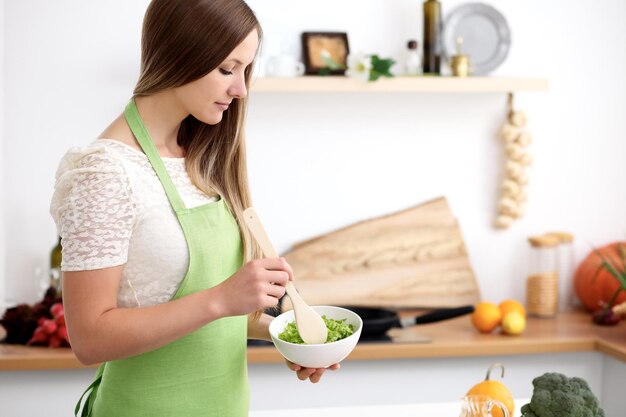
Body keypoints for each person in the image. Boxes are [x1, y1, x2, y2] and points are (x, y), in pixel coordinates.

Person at [50, 1, 338, 416]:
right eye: (227, 68)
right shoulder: (104, 171)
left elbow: (208, 323)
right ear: (179, 54)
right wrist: (222, 298)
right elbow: (90, 339)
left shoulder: (201, 159)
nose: (240, 89)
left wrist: (285, 334)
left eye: (245, 70)